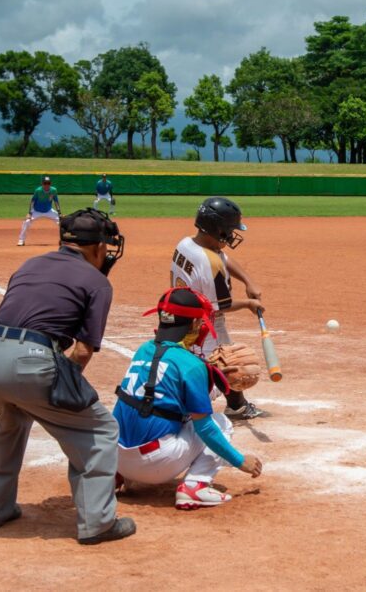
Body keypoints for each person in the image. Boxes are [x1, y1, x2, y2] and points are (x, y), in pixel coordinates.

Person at [0, 208, 135, 544]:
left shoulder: (30, 264)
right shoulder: (97, 282)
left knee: (11, 422)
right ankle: (98, 523)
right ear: (97, 247)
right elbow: (82, 350)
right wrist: (61, 389)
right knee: (101, 430)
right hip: (31, 361)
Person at [113, 288, 264, 509]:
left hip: (115, 457)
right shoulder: (191, 366)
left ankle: (117, 476)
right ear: (194, 324)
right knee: (221, 423)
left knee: (139, 404)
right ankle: (195, 486)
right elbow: (205, 429)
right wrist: (241, 462)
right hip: (156, 465)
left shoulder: (143, 350)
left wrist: (208, 377)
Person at [171, 197, 267, 420]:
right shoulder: (208, 263)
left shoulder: (187, 243)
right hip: (203, 325)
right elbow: (220, 306)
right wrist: (249, 304)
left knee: (227, 357)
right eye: (230, 229)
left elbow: (222, 257)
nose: (233, 234)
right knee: (217, 369)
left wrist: (248, 280)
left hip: (182, 314)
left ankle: (237, 405)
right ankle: (177, 411)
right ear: (219, 229)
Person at [18, 176, 62, 246]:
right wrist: (29, 213)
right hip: (36, 211)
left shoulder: (53, 190)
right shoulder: (38, 190)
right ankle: (21, 240)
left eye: (48, 183)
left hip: (48, 211)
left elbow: (56, 201)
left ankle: (64, 240)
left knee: (62, 222)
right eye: (45, 183)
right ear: (42, 184)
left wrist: (59, 213)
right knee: (27, 221)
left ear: (50, 184)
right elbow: (32, 201)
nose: (47, 185)